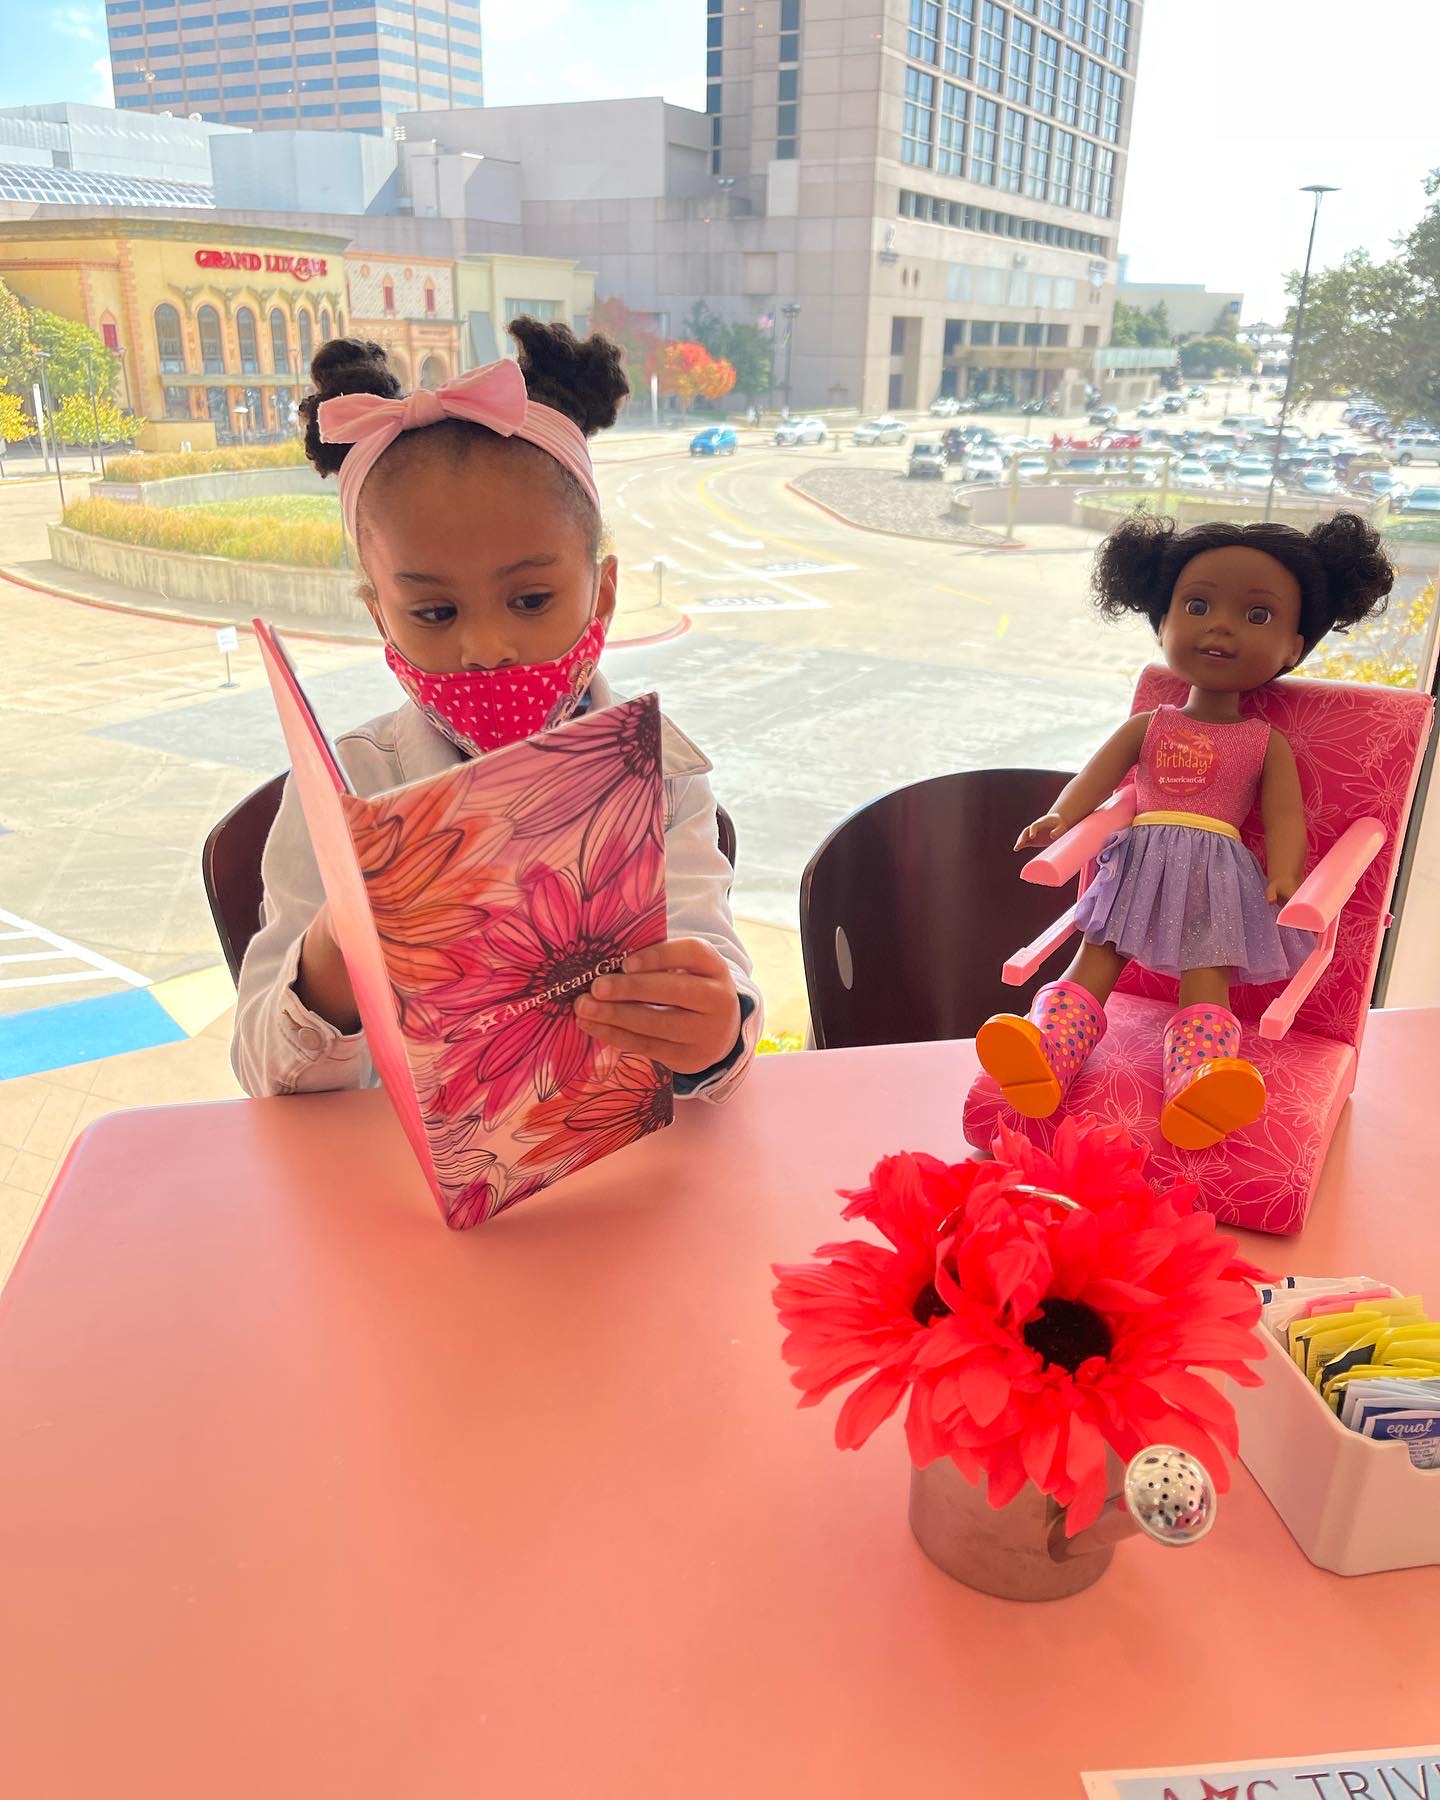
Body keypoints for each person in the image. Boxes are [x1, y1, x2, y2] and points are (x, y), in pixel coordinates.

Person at [233, 320, 762, 1103]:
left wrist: (712, 1034)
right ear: (383, 618)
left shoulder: (664, 779)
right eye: (436, 613)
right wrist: (338, 947)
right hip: (398, 1188)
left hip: (617, 1170)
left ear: (601, 595)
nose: (487, 647)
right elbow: (264, 1071)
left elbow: (712, 965)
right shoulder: (345, 788)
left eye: (531, 599)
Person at [973, 512, 1393, 1150]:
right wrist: (1063, 816)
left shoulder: (1263, 741)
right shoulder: (1152, 723)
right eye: (1197, 605)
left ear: (1293, 647)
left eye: (1258, 616)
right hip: (1138, 858)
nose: (1220, 626)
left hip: (1217, 871)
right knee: (1098, 953)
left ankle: (1199, 1077)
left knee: (1207, 969)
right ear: (1163, 623)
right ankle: (1048, 1049)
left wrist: (1285, 872)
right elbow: (1098, 778)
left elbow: (1284, 815)